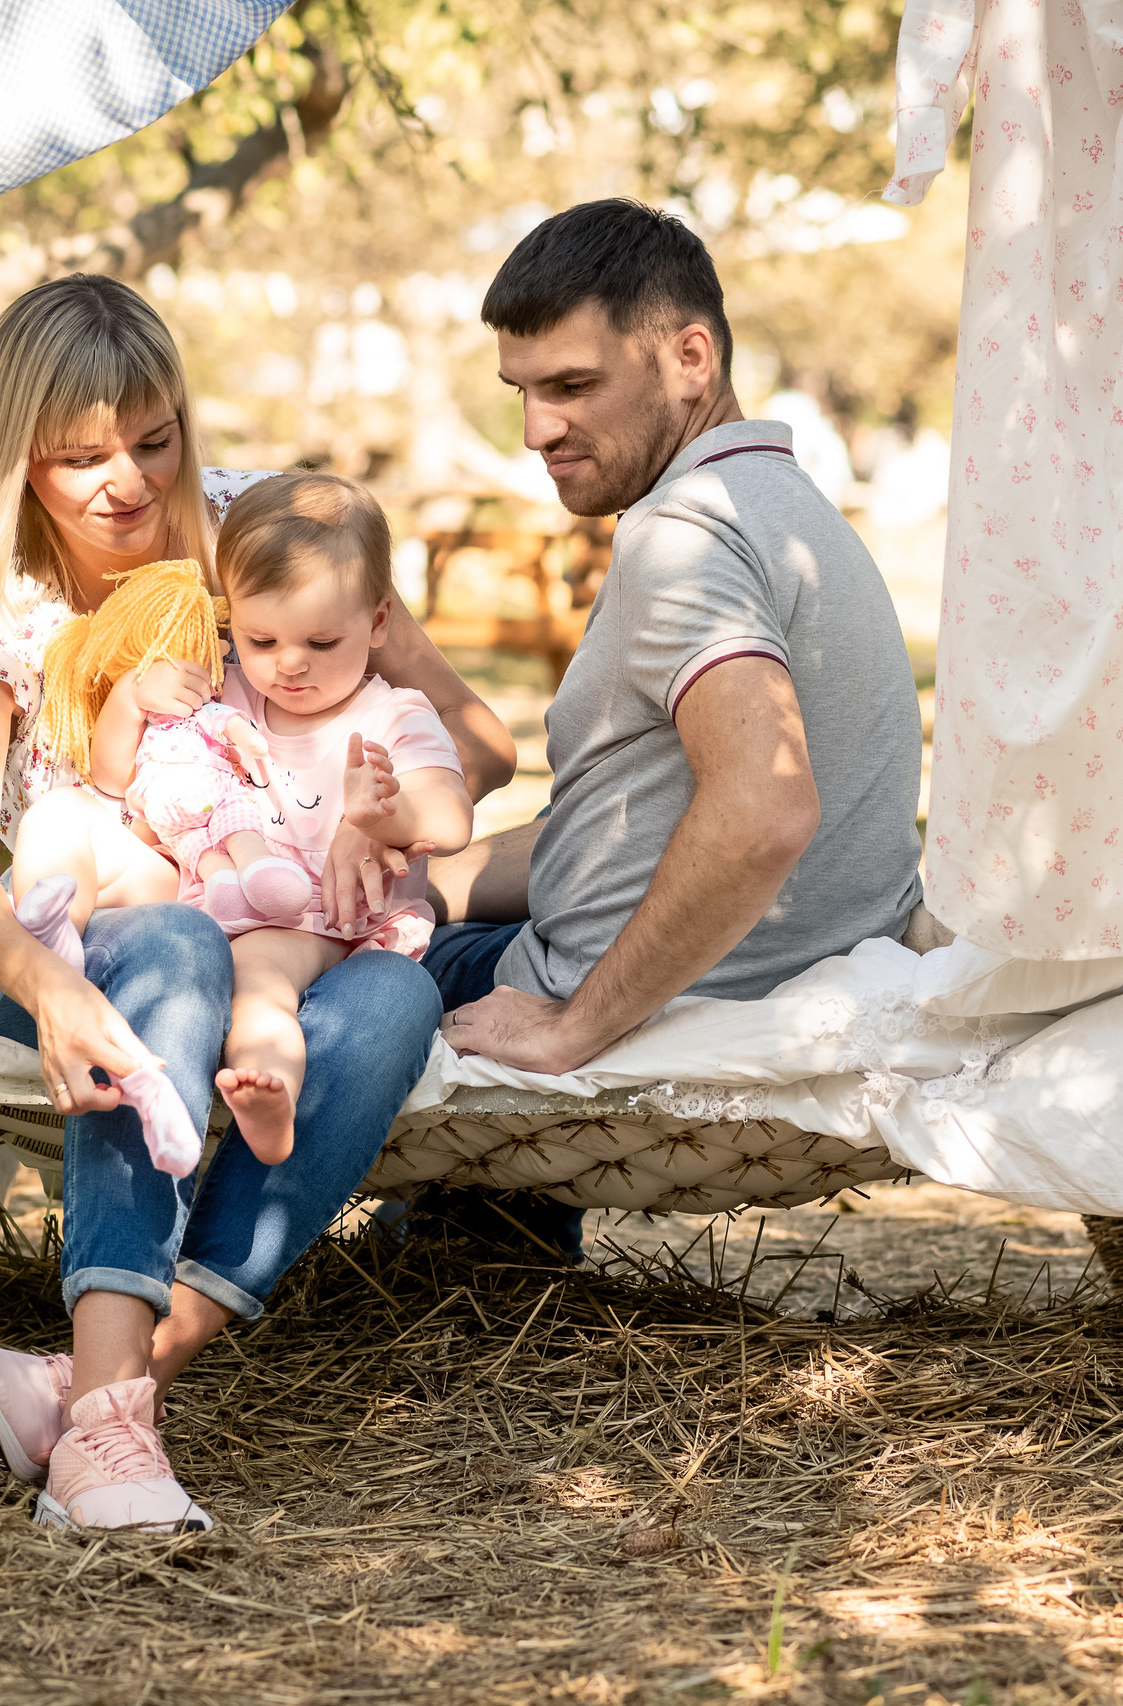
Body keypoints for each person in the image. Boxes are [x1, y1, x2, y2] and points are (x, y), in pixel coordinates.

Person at [0, 274, 512, 1532]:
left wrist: (373, 795)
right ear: (18, 457)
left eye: (153, 439)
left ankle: (102, 1402)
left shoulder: (259, 529)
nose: (125, 481)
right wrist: (54, 988)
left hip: (274, 928)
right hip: (58, 942)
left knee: (394, 992)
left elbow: (477, 743)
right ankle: (115, 1442)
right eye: (78, 455)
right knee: (177, 949)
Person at [417, 199, 926, 1249]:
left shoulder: (681, 539)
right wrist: (427, 879)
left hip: (640, 990)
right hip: (774, 961)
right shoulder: (786, 513)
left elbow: (763, 810)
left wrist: (572, 1027)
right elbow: (623, 829)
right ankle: (470, 1253)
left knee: (278, 957)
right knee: (397, 908)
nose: (536, 430)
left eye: (571, 386)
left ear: (689, 357)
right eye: (520, 391)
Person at [7, 475, 473, 1171]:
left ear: (377, 622)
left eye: (320, 642)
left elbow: (452, 813)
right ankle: (53, 940)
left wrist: (382, 814)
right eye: (262, 639)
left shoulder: (391, 715)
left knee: (257, 976)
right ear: (234, 621)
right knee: (63, 812)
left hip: (315, 923)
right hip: (202, 888)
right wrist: (134, 700)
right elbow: (111, 779)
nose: (288, 664)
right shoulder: (223, 688)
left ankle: (269, 1089)